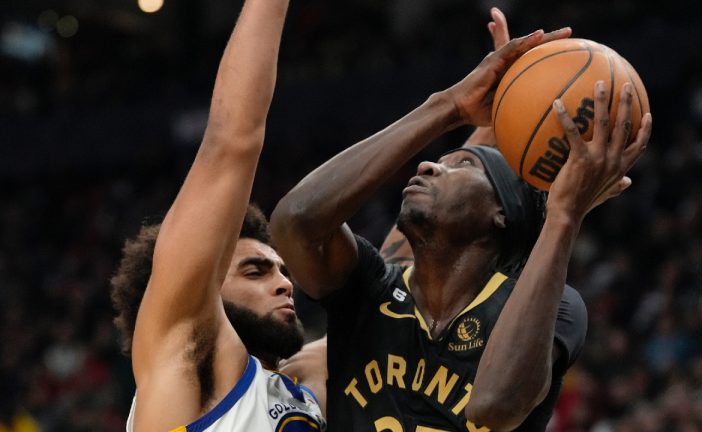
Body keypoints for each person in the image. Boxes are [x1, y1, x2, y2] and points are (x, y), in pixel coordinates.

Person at [270, 8, 652, 432]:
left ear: (500, 214)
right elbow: (295, 222)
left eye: (463, 163)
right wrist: (449, 106)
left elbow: (495, 405)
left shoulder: (553, 308)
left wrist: (564, 214)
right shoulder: (373, 288)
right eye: (440, 158)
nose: (430, 165)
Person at [108, 0, 326, 429]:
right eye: (255, 271)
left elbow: (395, 274)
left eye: (281, 271)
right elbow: (232, 143)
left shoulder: (303, 381)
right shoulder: (183, 363)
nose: (284, 284)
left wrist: (480, 121)